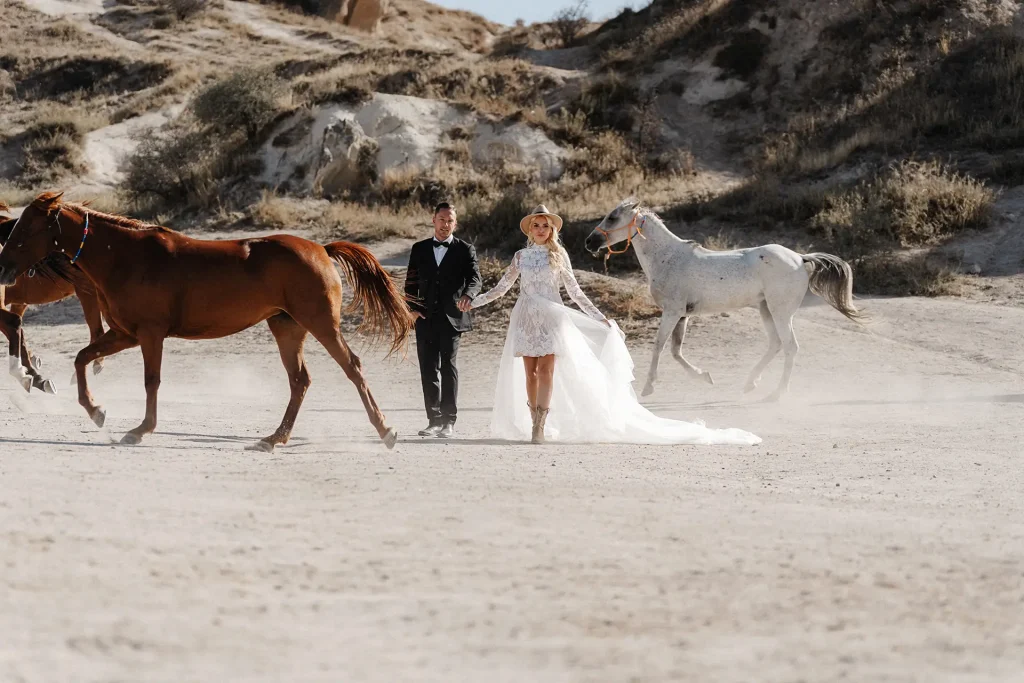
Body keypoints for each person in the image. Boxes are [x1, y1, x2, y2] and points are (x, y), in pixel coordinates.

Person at [462, 205, 761, 446]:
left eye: (545, 225)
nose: (540, 229)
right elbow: (501, 288)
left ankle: (539, 429)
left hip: (553, 318)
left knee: (547, 370)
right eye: (536, 226)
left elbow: (575, 292)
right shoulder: (520, 257)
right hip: (526, 317)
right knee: (530, 373)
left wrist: (599, 317)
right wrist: (471, 302)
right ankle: (534, 423)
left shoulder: (558, 255)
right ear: (530, 230)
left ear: (551, 230)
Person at [405, 201, 482, 438]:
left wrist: (469, 295)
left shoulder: (465, 249)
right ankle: (434, 420)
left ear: (455, 223)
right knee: (428, 369)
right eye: (442, 219)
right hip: (425, 318)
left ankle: (449, 421)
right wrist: (412, 309)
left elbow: (475, 278)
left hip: (452, 319)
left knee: (448, 367)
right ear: (433, 220)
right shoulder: (419, 248)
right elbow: (410, 284)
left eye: (450, 221)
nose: (445, 224)